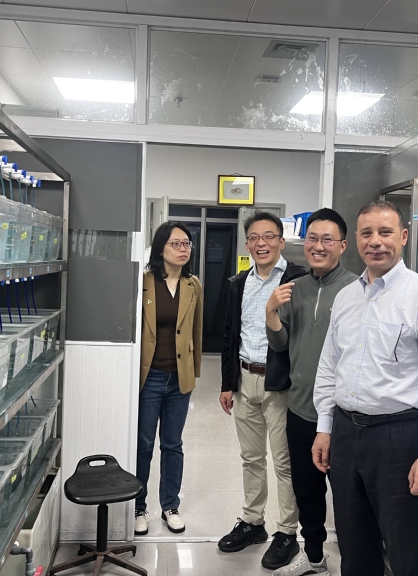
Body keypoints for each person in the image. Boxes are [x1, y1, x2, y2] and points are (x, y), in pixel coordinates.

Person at [312, 200, 418, 576]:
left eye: (385, 232)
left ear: (404, 236)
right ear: (356, 240)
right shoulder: (346, 298)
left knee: (407, 552)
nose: (375, 241)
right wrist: (325, 427)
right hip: (346, 434)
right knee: (354, 547)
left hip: (401, 439)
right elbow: (329, 366)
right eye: (367, 233)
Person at [265, 208, 358, 576]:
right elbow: (280, 344)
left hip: (344, 415)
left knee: (349, 496)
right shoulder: (296, 288)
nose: (318, 246)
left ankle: (357, 562)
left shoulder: (357, 289)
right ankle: (315, 556)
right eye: (312, 239)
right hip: (301, 408)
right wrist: (272, 312)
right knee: (307, 491)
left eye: (327, 240)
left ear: (342, 246)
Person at [218, 211, 307, 570]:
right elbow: (230, 334)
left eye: (269, 236)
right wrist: (227, 384)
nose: (261, 243)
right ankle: (253, 522)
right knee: (251, 458)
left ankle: (287, 532)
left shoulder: (298, 280)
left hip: (280, 384)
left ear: (281, 241)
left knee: (285, 462)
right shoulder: (239, 282)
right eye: (254, 238)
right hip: (244, 379)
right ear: (247, 244)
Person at [135, 221, 203, 536]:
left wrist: (193, 372)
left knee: (173, 444)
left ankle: (170, 506)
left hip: (179, 379)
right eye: (175, 243)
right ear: (160, 248)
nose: (182, 249)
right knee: (143, 444)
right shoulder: (144, 282)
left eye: (186, 243)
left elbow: (197, 331)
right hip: (149, 377)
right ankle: (138, 506)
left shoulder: (193, 285)